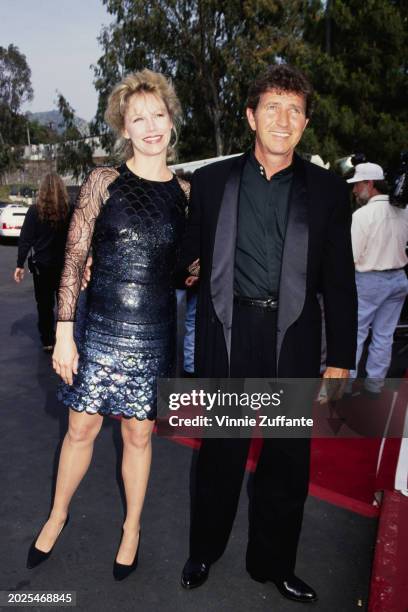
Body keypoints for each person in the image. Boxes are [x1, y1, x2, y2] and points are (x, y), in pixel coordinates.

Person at [179, 64, 357, 603]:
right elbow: (184, 257)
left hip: (294, 337)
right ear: (251, 116)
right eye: (273, 108)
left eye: (294, 110)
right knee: (221, 453)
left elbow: (341, 282)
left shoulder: (327, 190)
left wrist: (341, 358)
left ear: (304, 123)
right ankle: (204, 550)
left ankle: (275, 564)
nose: (284, 120)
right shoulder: (211, 182)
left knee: (286, 458)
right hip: (229, 332)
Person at [26, 69, 190, 580]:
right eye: (137, 118)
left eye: (157, 115)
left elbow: (192, 267)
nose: (150, 127)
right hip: (98, 326)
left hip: (155, 329)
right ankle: (57, 514)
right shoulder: (103, 182)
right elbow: (74, 259)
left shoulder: (189, 193)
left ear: (171, 120)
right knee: (81, 428)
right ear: (124, 127)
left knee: (139, 436)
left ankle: (132, 528)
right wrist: (64, 332)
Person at [347, 162, 408, 395]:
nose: (354, 191)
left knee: (354, 334)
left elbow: (350, 257)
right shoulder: (404, 211)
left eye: (357, 185)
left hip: (369, 281)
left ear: (369, 184)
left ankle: (345, 386)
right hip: (399, 280)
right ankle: (374, 386)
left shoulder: (363, 215)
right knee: (384, 335)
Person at [14, 173, 71, 352]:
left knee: (45, 305)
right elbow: (79, 237)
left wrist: (19, 264)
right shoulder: (70, 209)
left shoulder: (34, 211)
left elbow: (25, 239)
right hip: (65, 265)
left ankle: (47, 340)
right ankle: (64, 338)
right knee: (65, 304)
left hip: (42, 267)